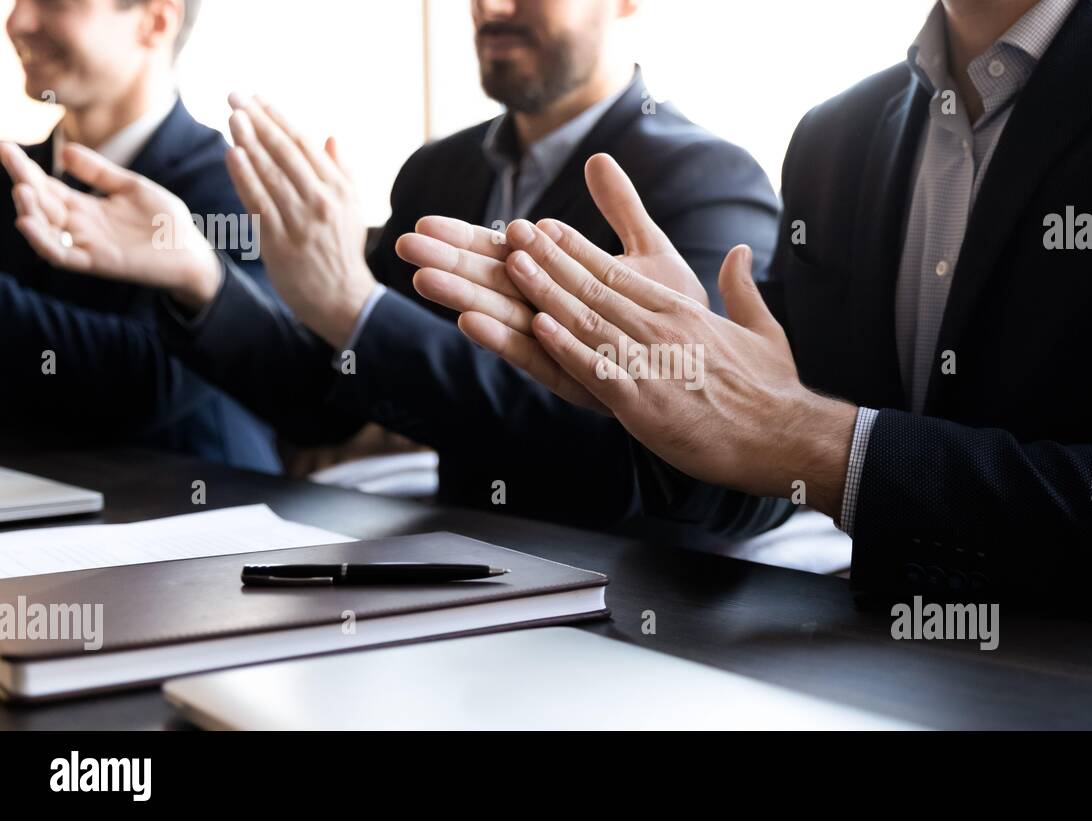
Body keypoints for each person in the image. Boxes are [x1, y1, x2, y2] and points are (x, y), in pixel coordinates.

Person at [420, 0, 1092, 649]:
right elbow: (769, 468)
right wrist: (667, 398)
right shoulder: (836, 134)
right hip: (868, 676)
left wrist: (826, 447)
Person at [4, 0, 779, 529]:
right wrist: (202, 285)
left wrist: (353, 308)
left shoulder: (707, 183)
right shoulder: (439, 174)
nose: (490, 6)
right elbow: (326, 402)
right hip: (460, 565)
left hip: (637, 584)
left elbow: (659, 462)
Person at [0, 0, 279, 471]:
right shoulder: (10, 173)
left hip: (197, 514)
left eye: (53, 2)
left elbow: (152, 382)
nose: (18, 22)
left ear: (155, 21)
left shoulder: (238, 189)